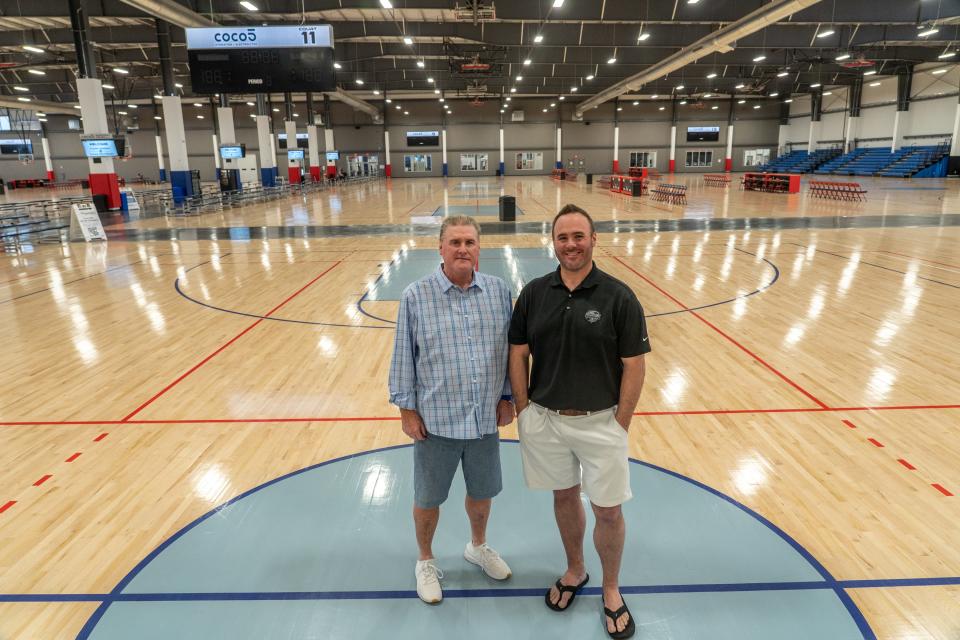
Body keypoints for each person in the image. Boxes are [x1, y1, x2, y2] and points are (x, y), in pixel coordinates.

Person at [508, 204, 650, 639]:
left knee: (608, 510)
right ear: (553, 242)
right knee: (564, 498)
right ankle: (575, 570)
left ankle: (610, 588)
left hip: (600, 422)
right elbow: (518, 353)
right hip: (545, 421)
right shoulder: (533, 293)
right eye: (563, 237)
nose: (571, 245)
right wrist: (523, 409)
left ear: (593, 239)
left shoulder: (619, 296)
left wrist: (619, 423)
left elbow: (634, 365)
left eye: (578, 236)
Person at [388, 215, 515, 605]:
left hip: (483, 421)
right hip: (435, 422)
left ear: (479, 249)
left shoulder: (498, 291)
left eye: (470, 243)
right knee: (428, 499)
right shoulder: (415, 295)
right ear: (440, 249)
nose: (463, 249)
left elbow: (509, 350)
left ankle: (478, 546)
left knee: (482, 493)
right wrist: (406, 409)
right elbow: (403, 357)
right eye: (456, 242)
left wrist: (508, 395)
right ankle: (425, 560)